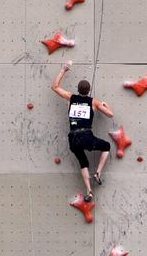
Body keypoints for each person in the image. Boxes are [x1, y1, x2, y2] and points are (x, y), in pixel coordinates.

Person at [51, 61, 114, 202]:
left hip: (73, 138)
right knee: (107, 146)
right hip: (86, 136)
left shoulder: (71, 97)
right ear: (89, 90)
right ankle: (98, 173)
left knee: (83, 162)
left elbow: (54, 87)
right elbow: (110, 114)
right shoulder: (94, 102)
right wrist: (104, 104)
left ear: (78, 89)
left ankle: (89, 192)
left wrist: (63, 69)